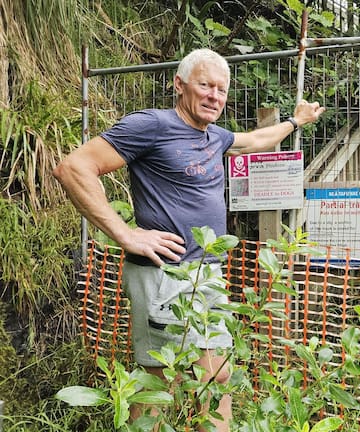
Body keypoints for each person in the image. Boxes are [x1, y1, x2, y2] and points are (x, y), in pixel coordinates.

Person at [53, 48, 325, 431]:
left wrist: (296, 122)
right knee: (162, 382)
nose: (214, 95)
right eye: (205, 85)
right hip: (165, 276)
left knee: (217, 378)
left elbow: (254, 140)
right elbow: (74, 167)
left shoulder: (215, 136)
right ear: (179, 85)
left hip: (206, 274)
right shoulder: (152, 125)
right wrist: (125, 233)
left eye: (221, 89)